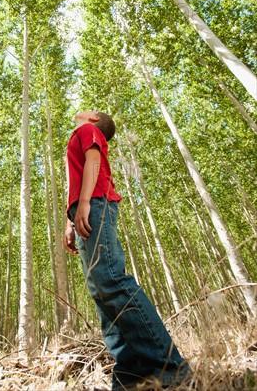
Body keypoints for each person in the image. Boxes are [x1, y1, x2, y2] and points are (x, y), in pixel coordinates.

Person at [64, 110, 190, 390]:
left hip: (95, 203)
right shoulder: (80, 133)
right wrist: (70, 220)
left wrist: (85, 203)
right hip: (85, 208)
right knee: (100, 291)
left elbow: (94, 160)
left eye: (89, 110)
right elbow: (76, 179)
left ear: (95, 119)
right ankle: (132, 374)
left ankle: (169, 368)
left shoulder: (88, 131)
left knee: (111, 280)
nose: (82, 110)